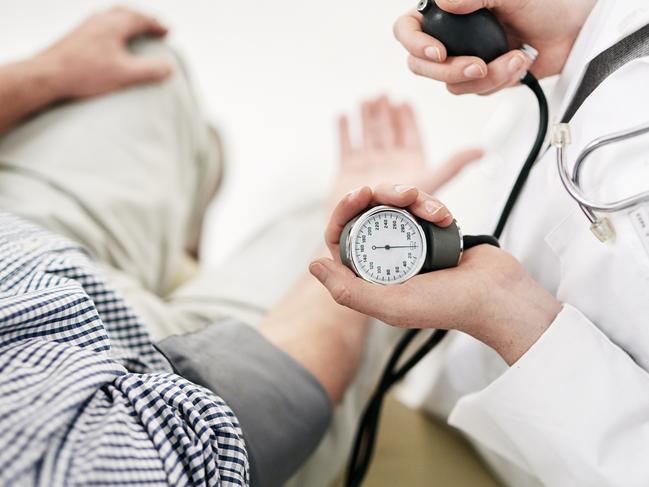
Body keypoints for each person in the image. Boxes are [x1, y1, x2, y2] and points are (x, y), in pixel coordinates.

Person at [0, 7, 483, 486]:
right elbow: (243, 418)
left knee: (142, 62)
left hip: (22, 248)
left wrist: (43, 74)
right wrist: (355, 259)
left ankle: (180, 263)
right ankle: (196, 305)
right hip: (148, 384)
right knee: (328, 223)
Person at [311, 0, 649, 486]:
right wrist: (583, 30)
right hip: (463, 384)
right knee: (304, 192)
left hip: (537, 463)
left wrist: (507, 312)